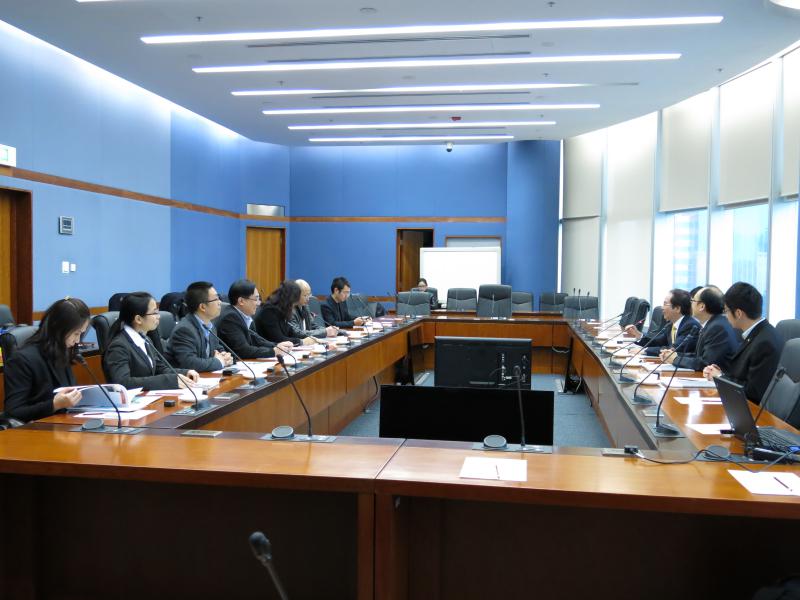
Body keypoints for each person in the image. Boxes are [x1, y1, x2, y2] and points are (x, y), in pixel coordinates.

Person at [4, 297, 90, 422]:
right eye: (76, 333)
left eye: (81, 334)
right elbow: (14, 412)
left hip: (63, 425)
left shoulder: (62, 352)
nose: (77, 340)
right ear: (59, 329)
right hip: (33, 433)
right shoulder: (21, 360)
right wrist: (54, 404)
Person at [703, 282, 780, 404]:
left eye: (726, 310)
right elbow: (740, 375)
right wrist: (720, 374)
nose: (725, 315)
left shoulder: (765, 342)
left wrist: (720, 378)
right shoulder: (755, 333)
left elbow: (753, 392)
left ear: (738, 313)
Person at [103, 292, 199, 390]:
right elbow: (123, 382)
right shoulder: (119, 346)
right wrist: (168, 381)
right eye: (154, 312)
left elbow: (159, 368)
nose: (159, 316)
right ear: (138, 319)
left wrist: (184, 373)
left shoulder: (146, 339)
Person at [660, 286, 739, 372]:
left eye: (693, 301)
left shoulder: (717, 327)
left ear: (701, 306)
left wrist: (675, 359)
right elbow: (698, 356)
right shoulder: (713, 323)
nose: (690, 304)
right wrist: (674, 355)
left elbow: (705, 363)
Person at [216, 279, 293, 359]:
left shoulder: (245, 316)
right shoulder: (230, 318)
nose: (258, 303)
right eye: (255, 299)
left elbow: (256, 341)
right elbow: (243, 350)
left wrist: (277, 346)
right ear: (241, 301)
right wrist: (273, 351)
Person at [166, 281, 233, 372]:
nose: (220, 302)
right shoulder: (185, 330)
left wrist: (225, 356)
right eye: (216, 299)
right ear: (202, 307)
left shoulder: (210, 326)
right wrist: (219, 362)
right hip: (185, 382)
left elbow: (217, 348)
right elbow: (189, 363)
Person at [624, 289, 699, 356]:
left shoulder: (690, 325)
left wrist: (645, 350)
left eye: (665, 304)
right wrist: (638, 335)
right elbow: (658, 342)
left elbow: (673, 350)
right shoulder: (671, 325)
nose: (662, 308)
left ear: (677, 308)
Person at [254, 280, 316, 346]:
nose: (293, 306)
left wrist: (311, 339)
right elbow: (279, 339)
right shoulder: (269, 311)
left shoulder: (283, 310)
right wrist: (301, 342)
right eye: (293, 303)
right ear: (288, 300)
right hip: (267, 352)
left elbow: (291, 332)